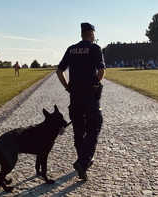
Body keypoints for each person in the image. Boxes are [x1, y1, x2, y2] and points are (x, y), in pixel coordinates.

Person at [56, 22, 106, 181]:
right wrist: (94, 83)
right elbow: (101, 72)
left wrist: (67, 87)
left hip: (75, 95)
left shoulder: (71, 49)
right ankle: (83, 161)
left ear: (81, 34)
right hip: (90, 95)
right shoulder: (95, 49)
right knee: (94, 126)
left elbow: (59, 71)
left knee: (79, 129)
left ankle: (83, 162)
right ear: (91, 33)